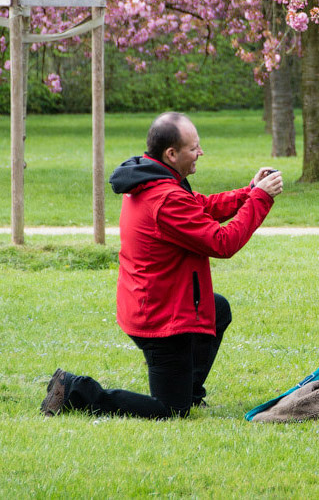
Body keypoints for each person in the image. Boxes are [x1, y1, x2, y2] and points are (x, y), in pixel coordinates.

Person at [40, 112, 283, 418]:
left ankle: (189, 390)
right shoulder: (165, 198)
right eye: (194, 147)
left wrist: (249, 191)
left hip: (155, 302)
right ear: (171, 153)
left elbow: (201, 208)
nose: (201, 152)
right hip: (160, 319)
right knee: (170, 411)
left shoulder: (156, 179)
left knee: (216, 308)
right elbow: (223, 243)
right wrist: (260, 199)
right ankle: (73, 389)